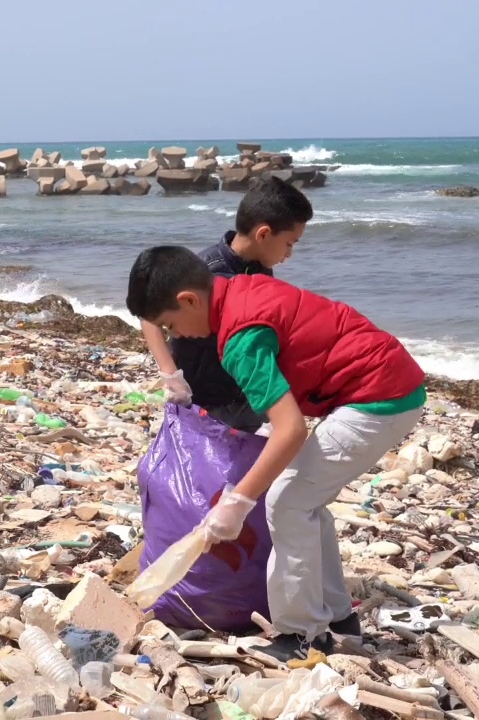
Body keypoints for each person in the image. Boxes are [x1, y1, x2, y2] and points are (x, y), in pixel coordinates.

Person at [126, 245, 426, 661]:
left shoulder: (240, 341)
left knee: (285, 502)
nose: (176, 336)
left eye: (171, 325)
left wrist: (234, 504)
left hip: (379, 399)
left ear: (190, 300)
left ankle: (301, 633)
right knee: (305, 499)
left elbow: (290, 430)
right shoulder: (234, 288)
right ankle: (337, 616)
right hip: (388, 379)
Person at [139, 177, 313, 432]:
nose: (289, 254)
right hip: (202, 398)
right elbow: (149, 315)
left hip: (245, 397)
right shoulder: (204, 270)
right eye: (289, 243)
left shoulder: (261, 271)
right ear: (263, 234)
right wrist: (170, 375)